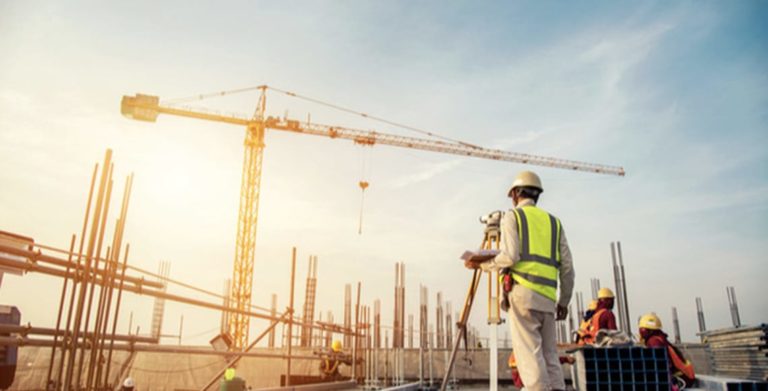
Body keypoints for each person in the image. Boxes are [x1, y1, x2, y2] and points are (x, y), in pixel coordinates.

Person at [469, 170, 575, 391]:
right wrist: (563, 302)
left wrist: (482, 265)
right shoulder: (555, 223)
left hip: (523, 295)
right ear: (537, 195)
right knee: (550, 356)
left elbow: (509, 256)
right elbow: (568, 269)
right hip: (548, 299)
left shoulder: (513, 216)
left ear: (516, 193)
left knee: (530, 359)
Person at [638, 313, 695, 389]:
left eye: (642, 329)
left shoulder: (654, 341)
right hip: (684, 376)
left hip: (681, 377)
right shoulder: (659, 338)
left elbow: (662, 364)